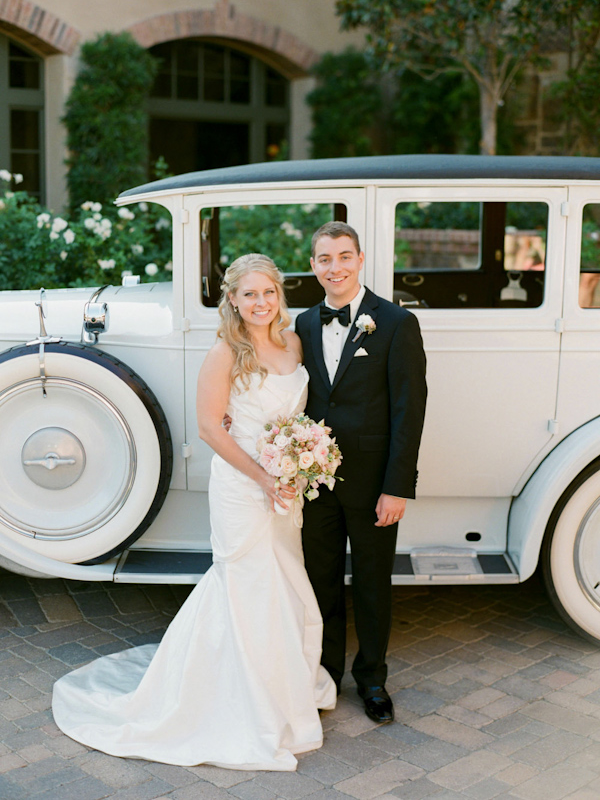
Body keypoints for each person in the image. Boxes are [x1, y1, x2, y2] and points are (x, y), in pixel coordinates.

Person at [51, 253, 337, 771]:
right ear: (231, 299)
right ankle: (241, 700)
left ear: (280, 294)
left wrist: (299, 464)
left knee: (283, 579)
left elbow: (297, 414)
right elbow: (210, 428)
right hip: (242, 484)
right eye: (248, 294)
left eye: (268, 292)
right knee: (245, 581)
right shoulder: (226, 351)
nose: (260, 302)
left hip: (283, 487)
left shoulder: (293, 341)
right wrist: (265, 477)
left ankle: (283, 686)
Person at [295, 221, 427, 724]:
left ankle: (372, 678)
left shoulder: (395, 323)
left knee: (372, 583)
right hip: (315, 482)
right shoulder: (305, 324)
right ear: (313, 266)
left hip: (375, 484)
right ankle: (326, 674)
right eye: (325, 259)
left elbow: (409, 410)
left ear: (361, 259)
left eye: (344, 257)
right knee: (320, 580)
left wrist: (398, 487)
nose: (335, 267)